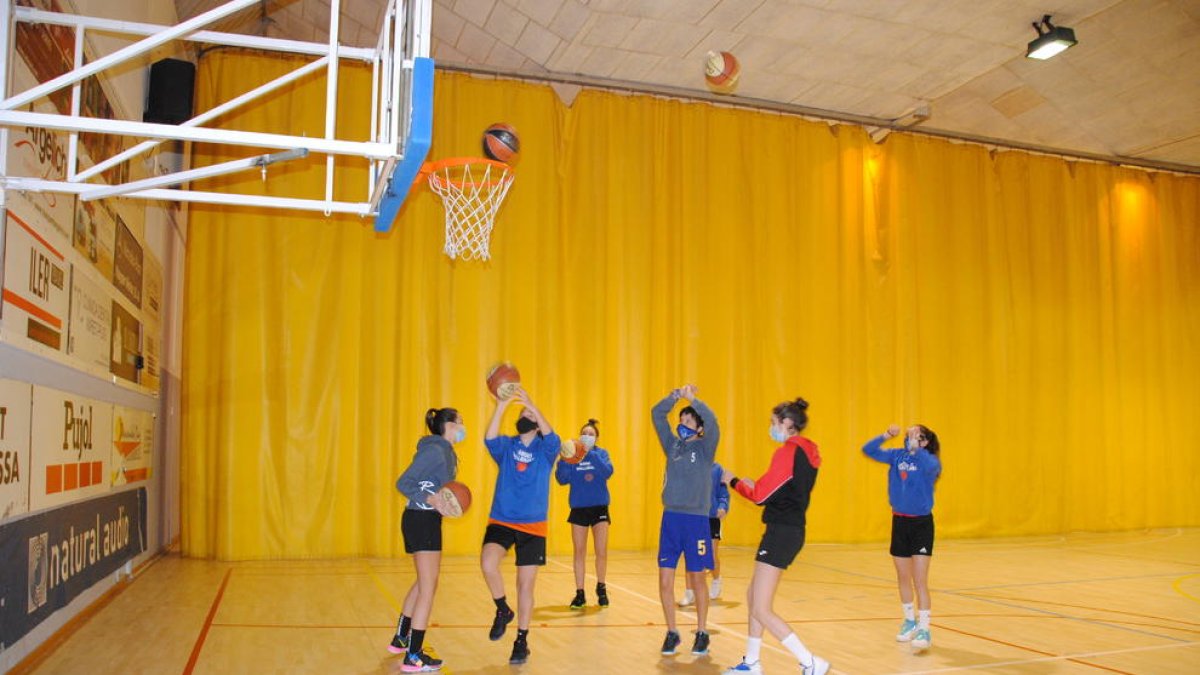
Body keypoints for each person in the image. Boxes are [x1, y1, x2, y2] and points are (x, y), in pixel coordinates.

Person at [722, 398, 830, 675]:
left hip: (783, 531)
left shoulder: (788, 452)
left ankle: (810, 661)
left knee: (761, 608)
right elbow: (777, 489)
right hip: (786, 529)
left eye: (773, 423)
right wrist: (753, 485)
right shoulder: (807, 452)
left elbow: (760, 495)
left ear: (788, 424)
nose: (771, 428)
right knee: (753, 596)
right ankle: (752, 662)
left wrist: (733, 481)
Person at [481, 387, 559, 665]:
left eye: (529, 414)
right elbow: (488, 437)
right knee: (488, 563)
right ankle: (502, 609)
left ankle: (521, 641)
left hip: (533, 524)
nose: (524, 415)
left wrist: (533, 405)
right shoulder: (507, 446)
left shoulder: (546, 450)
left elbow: (553, 437)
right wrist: (502, 405)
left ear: (537, 423)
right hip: (502, 518)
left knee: (525, 586)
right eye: (522, 413)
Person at [389, 407, 466, 672]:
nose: (463, 427)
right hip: (420, 519)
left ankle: (401, 638)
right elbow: (404, 482)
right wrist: (431, 499)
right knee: (428, 587)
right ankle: (414, 655)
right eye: (460, 423)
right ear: (449, 425)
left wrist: (443, 501)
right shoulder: (434, 450)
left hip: (425, 520)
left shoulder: (445, 450)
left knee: (424, 582)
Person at [650, 384, 719, 656]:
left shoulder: (705, 447)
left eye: (689, 419)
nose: (682, 422)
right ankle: (672, 632)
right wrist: (674, 397)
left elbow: (713, 421)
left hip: (696, 522)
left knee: (697, 579)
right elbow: (657, 414)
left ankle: (702, 632)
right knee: (665, 581)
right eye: (681, 419)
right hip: (671, 520)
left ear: (699, 427)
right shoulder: (673, 446)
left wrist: (693, 400)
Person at [862, 423, 942, 653]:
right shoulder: (897, 456)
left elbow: (930, 465)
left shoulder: (930, 461)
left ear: (925, 441)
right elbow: (868, 450)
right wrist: (886, 435)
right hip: (900, 522)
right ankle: (909, 621)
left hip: (921, 525)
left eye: (916, 435)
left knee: (920, 580)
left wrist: (918, 450)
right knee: (903, 578)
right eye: (908, 435)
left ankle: (925, 628)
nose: (910, 438)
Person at [555, 418, 614, 609]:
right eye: (584, 434)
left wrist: (591, 454)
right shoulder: (573, 455)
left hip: (599, 508)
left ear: (596, 438)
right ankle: (580, 593)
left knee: (601, 551)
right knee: (579, 552)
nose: (587, 437)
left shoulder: (601, 454)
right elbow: (562, 479)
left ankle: (601, 587)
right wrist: (564, 460)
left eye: (591, 434)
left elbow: (607, 472)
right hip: (579, 508)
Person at [680, 462, 730, 607]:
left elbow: (723, 494)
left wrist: (722, 506)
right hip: (693, 516)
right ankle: (689, 593)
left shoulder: (718, 469)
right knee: (690, 555)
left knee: (712, 555)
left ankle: (716, 581)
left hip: (712, 517)